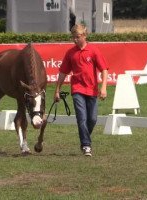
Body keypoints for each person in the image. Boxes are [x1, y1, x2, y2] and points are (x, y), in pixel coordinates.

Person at [53, 24, 108, 157]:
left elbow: (104, 70)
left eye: (77, 37)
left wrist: (104, 87)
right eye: (73, 37)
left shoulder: (94, 51)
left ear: (84, 35)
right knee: (82, 119)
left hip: (92, 90)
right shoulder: (70, 53)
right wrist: (57, 90)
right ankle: (86, 145)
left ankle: (85, 138)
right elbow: (63, 73)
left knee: (93, 119)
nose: (75, 40)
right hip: (77, 89)